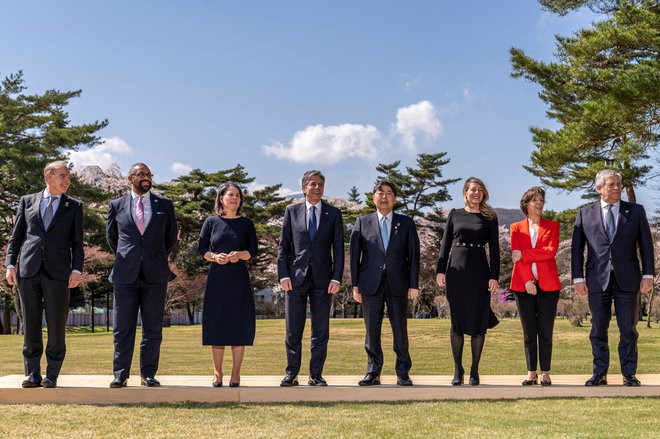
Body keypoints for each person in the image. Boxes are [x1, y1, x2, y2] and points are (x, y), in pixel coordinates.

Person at [5, 161, 83, 388]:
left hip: (59, 273)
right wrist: (11, 264)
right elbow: (16, 237)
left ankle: (52, 375)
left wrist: (76, 269)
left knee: (57, 326)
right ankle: (32, 374)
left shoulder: (74, 206)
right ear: (48, 177)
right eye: (63, 175)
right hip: (28, 271)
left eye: (68, 176)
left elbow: (77, 243)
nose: (67, 180)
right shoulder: (27, 201)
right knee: (30, 325)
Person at [572, 169, 654, 387]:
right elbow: (577, 249)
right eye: (611, 184)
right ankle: (599, 373)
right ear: (599, 188)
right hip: (596, 280)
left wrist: (648, 275)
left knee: (628, 328)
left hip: (629, 279)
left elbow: (646, 246)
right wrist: (578, 278)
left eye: (618, 184)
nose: (617, 187)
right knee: (598, 328)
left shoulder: (635, 212)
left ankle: (629, 374)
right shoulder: (585, 213)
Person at [106, 163, 178, 388]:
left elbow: (170, 238)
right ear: (130, 179)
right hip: (125, 274)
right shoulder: (116, 205)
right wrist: (129, 256)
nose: (146, 178)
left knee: (153, 327)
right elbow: (112, 238)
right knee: (122, 328)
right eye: (141, 174)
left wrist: (153, 256)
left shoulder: (164, 205)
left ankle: (148, 374)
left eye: (148, 174)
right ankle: (121, 374)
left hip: (155, 274)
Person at [350, 180, 420, 386]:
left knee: (400, 329)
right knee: (372, 331)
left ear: (395, 199)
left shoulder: (406, 223)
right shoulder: (362, 222)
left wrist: (413, 284)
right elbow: (354, 256)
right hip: (370, 284)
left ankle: (403, 372)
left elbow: (414, 257)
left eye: (389, 193)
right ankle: (373, 371)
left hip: (399, 283)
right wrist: (355, 285)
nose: (384, 197)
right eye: (380, 193)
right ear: (373, 198)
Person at [277, 170, 344, 387]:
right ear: (304, 187)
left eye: (320, 184)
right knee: (293, 329)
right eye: (313, 184)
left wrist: (336, 278)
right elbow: (283, 247)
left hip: (324, 281)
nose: (317, 187)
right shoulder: (291, 211)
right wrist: (283, 274)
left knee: (320, 330)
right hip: (294, 279)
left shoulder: (333, 214)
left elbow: (339, 251)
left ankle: (316, 374)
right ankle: (291, 373)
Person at [436, 177, 499, 386]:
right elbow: (445, 245)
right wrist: (440, 271)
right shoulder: (454, 214)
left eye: (480, 190)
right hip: (456, 273)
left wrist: (494, 276)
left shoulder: (489, 217)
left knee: (478, 322)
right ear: (465, 192)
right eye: (473, 189)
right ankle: (457, 369)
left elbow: (496, 250)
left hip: (480, 273)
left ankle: (474, 369)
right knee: (457, 322)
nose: (476, 193)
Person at [198, 182, 258, 387]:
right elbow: (202, 249)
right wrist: (214, 256)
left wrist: (240, 254)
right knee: (217, 325)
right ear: (221, 198)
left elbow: (253, 250)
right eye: (230, 194)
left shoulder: (246, 224)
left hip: (239, 279)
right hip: (217, 279)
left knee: (238, 326)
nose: (234, 198)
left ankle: (236, 373)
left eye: (238, 196)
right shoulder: (211, 222)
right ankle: (217, 374)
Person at [509, 187, 561, 386]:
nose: (539, 203)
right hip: (523, 286)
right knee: (529, 332)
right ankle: (531, 372)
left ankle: (545, 372)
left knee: (545, 331)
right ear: (526, 204)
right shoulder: (515, 227)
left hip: (549, 286)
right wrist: (529, 280)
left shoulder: (553, 226)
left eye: (541, 200)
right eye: (535, 200)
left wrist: (525, 253)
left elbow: (549, 252)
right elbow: (516, 257)